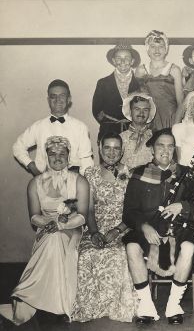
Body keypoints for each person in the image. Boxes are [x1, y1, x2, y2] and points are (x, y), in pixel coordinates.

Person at [0, 136, 89, 325]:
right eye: (52, 154)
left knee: (56, 239)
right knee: (53, 239)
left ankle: (36, 296)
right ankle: (46, 302)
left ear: (68, 157)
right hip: (46, 230)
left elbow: (82, 215)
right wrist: (49, 224)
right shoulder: (35, 183)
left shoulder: (79, 181)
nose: (57, 158)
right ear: (46, 156)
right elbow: (33, 217)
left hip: (73, 229)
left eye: (62, 154)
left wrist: (61, 225)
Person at [122, 128, 194, 325]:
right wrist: (144, 226)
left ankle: (174, 305)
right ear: (152, 149)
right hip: (148, 231)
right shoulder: (139, 174)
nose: (165, 150)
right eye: (160, 145)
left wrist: (184, 206)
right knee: (132, 247)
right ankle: (146, 305)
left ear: (174, 149)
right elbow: (128, 212)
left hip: (177, 230)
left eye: (170, 146)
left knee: (188, 247)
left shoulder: (185, 174)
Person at [72, 133, 135, 322]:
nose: (112, 152)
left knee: (119, 253)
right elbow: (88, 208)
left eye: (116, 148)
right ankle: (91, 306)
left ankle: (117, 307)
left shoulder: (130, 173)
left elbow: (134, 210)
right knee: (86, 254)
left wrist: (118, 230)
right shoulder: (90, 174)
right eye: (107, 147)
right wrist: (94, 232)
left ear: (122, 151)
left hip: (124, 227)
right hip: (96, 226)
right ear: (99, 149)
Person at [12, 79, 94, 175]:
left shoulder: (81, 127)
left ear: (68, 99)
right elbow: (18, 147)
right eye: (53, 96)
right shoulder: (38, 126)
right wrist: (33, 167)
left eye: (62, 96)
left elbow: (86, 160)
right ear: (48, 100)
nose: (57, 100)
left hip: (73, 180)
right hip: (44, 179)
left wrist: (81, 183)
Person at [92, 43, 141, 142]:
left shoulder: (141, 84)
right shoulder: (103, 83)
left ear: (132, 61)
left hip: (135, 134)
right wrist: (111, 125)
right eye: (119, 58)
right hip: (108, 134)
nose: (123, 61)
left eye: (127, 58)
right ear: (114, 61)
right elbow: (97, 110)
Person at [135, 30, 184, 130]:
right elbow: (137, 101)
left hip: (170, 118)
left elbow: (181, 103)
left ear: (166, 49)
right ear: (148, 50)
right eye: (153, 46)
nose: (157, 50)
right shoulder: (141, 70)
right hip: (148, 119)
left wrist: (176, 126)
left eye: (161, 46)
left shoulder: (174, 70)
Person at [119, 92, 156, 169]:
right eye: (137, 109)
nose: (141, 113)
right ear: (130, 111)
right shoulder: (121, 137)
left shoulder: (155, 137)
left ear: (149, 113)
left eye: (145, 110)